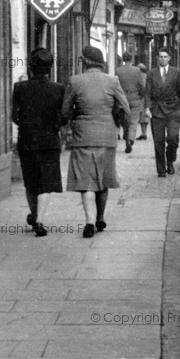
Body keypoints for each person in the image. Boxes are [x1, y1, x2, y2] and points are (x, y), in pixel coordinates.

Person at [62, 46, 130, 238]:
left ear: (85, 61)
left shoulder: (75, 81)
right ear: (100, 62)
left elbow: (65, 111)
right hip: (106, 136)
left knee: (86, 181)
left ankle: (89, 221)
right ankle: (100, 217)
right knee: (104, 178)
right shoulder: (112, 81)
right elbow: (125, 107)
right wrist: (118, 123)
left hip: (83, 136)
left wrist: (77, 116)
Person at [12, 48, 65, 237]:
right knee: (46, 183)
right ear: (50, 68)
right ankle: (40, 220)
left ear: (31, 67)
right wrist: (55, 126)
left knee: (31, 182)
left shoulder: (20, 88)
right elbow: (64, 116)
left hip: (27, 141)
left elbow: (15, 117)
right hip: (50, 141)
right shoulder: (58, 88)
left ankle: (34, 216)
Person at [145, 47, 180, 177]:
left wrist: (178, 107)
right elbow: (147, 92)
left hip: (172, 110)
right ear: (157, 58)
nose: (162, 59)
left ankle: (170, 160)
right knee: (159, 141)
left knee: (173, 138)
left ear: (169, 58)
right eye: (160, 57)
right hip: (157, 110)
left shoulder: (176, 72)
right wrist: (147, 108)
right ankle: (161, 169)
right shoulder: (152, 73)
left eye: (165, 57)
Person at [115, 52, 145, 153]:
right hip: (134, 98)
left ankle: (126, 137)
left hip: (122, 100)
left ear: (123, 59)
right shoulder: (137, 70)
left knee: (124, 122)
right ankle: (131, 139)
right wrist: (141, 95)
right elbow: (141, 85)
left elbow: (116, 85)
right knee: (133, 121)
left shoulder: (118, 71)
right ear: (131, 59)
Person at [136, 63, 149, 140]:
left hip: (142, 98)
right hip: (146, 98)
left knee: (142, 116)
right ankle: (144, 133)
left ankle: (144, 133)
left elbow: (143, 87)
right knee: (144, 117)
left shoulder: (141, 76)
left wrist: (140, 94)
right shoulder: (146, 75)